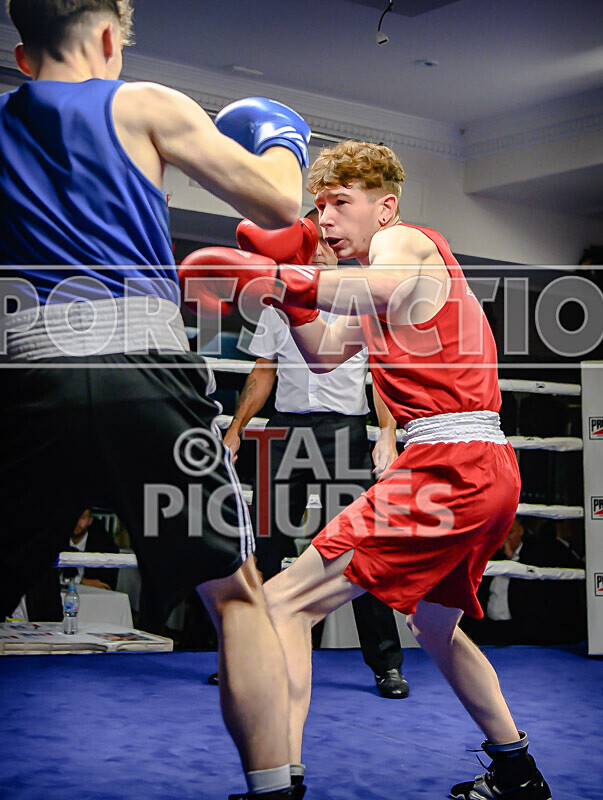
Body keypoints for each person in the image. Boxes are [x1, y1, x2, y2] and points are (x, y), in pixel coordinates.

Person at [0, 2, 311, 798]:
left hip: (27, 374)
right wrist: (282, 136)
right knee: (235, 595)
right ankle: (275, 790)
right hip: (145, 372)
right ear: (109, 37)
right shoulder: (144, 103)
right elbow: (279, 204)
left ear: (22, 56)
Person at [182, 141, 551, 799]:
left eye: (339, 203)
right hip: (482, 468)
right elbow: (325, 353)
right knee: (433, 628)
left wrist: (287, 279)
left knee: (281, 603)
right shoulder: (372, 284)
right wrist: (290, 294)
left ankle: (278, 785)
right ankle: (517, 773)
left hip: (449, 466)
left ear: (384, 207)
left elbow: (380, 284)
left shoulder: (404, 242)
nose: (324, 218)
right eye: (319, 206)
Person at [219, 209, 407, 698]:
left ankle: (386, 664)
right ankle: (247, 656)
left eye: (325, 239)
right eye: (310, 239)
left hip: (344, 429)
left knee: (359, 547)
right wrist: (236, 429)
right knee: (265, 543)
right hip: (285, 428)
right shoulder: (277, 301)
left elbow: (381, 377)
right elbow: (263, 371)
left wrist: (387, 433)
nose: (319, 247)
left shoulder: (360, 300)